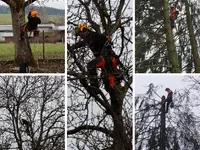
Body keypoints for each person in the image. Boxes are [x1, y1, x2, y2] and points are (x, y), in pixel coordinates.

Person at [68, 24, 121, 91]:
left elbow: (88, 41)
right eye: (79, 35)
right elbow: (81, 43)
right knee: (109, 86)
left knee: (90, 65)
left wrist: (107, 39)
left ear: (85, 31)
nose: (81, 36)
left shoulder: (93, 36)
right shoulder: (89, 38)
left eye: (81, 34)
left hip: (108, 58)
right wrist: (72, 47)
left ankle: (95, 86)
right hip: (107, 63)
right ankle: (113, 86)